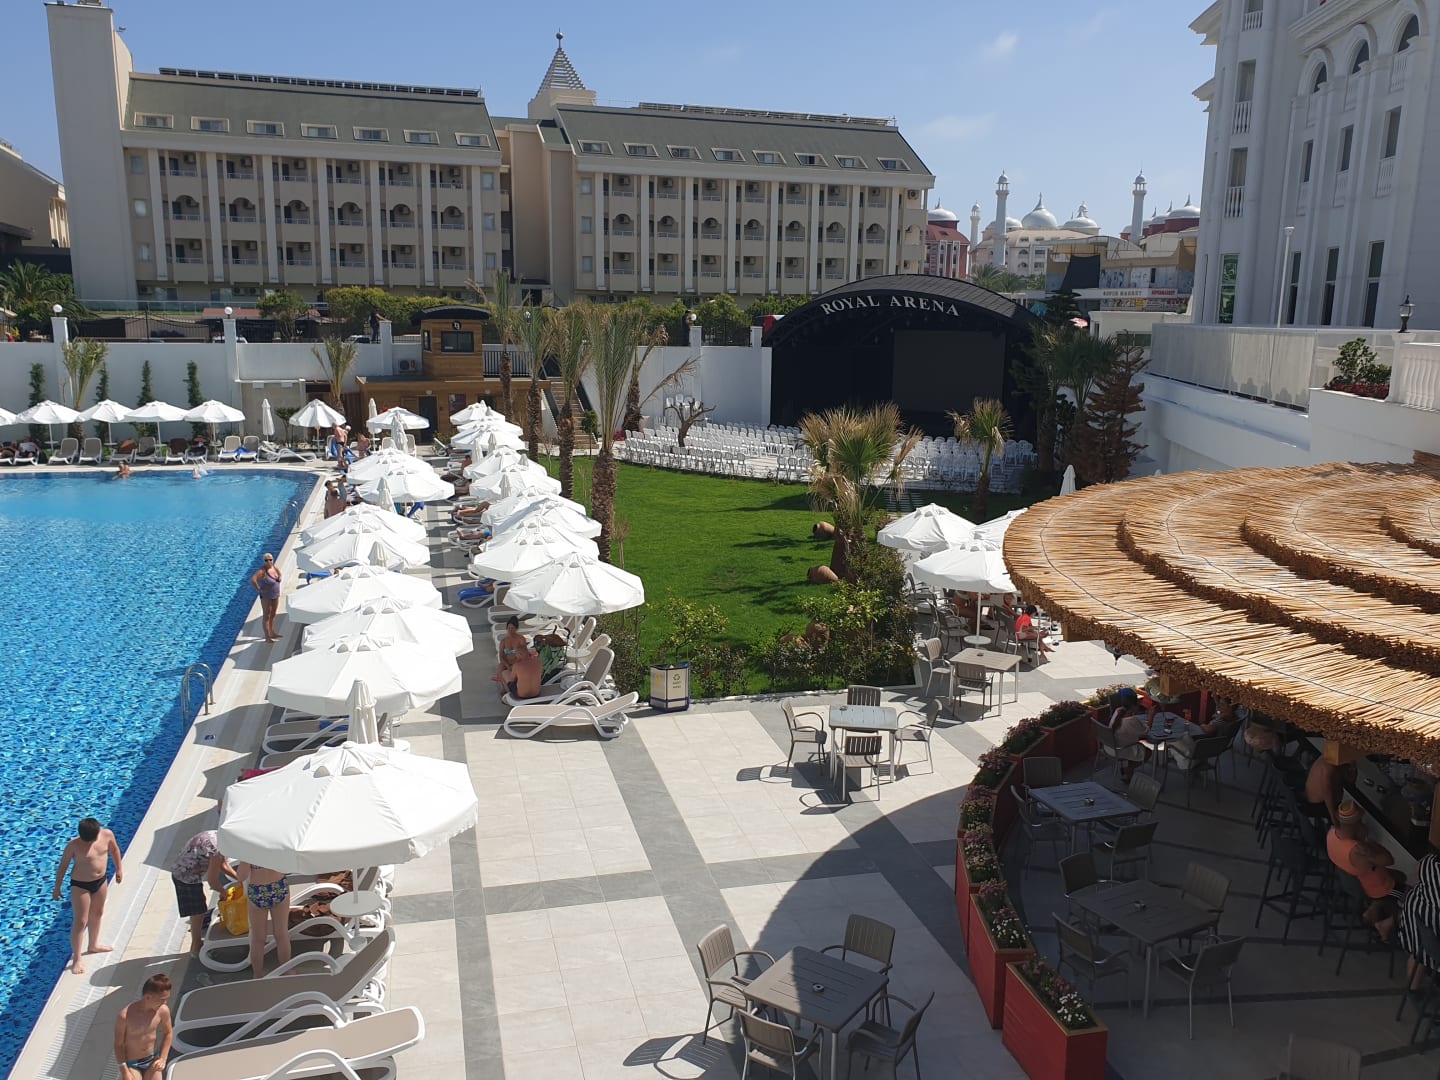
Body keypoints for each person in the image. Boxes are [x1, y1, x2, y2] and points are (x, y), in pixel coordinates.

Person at [52, 817, 122, 974]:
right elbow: (63, 867)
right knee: (81, 920)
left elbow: (114, 850)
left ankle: (93, 945)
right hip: (80, 885)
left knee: (98, 913)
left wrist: (119, 869)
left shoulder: (107, 835)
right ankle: (77, 958)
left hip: (100, 881)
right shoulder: (73, 845)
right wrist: (57, 887)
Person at [1326, 800, 1402, 938]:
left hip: (1354, 882)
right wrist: (1369, 843)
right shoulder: (1359, 851)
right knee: (1412, 897)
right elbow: (1389, 860)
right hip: (1377, 888)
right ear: (1356, 823)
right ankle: (1385, 923)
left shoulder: (1331, 835)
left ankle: (1374, 908)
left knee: (1399, 875)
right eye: (1360, 820)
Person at [170, 825, 235, 956]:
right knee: (198, 912)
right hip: (185, 877)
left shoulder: (215, 835)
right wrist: (224, 893)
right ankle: (196, 946)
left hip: (182, 870)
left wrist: (242, 879)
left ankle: (196, 943)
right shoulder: (216, 849)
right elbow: (212, 881)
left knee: (198, 910)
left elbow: (223, 865)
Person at [113, 974, 172, 1080]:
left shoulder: (162, 1011)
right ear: (148, 997)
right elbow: (118, 1045)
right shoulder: (125, 1016)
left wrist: (163, 1058)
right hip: (132, 1063)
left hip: (152, 1059)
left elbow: (168, 1033)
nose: (165, 1002)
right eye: (162, 999)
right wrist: (124, 1071)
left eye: (166, 999)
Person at [236, 862, 290, 978]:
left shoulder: (248, 852)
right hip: (278, 886)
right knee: (281, 934)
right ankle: (286, 970)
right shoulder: (276, 849)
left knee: (258, 939)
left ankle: (258, 974)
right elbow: (287, 866)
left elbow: (241, 877)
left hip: (257, 891)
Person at [1401, 854, 1440, 990]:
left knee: (1418, 952)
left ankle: (1412, 990)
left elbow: (1417, 876)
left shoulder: (1429, 861)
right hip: (1433, 938)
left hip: (1416, 923)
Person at [1305, 756, 1356, 825]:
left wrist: (1353, 769)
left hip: (1323, 799)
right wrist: (1333, 818)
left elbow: (1350, 782)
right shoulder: (1328, 770)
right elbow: (1328, 798)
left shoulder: (1331, 759)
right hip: (1320, 804)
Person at [251, 552, 283, 642]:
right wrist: (259, 589)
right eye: (266, 560)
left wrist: (280, 577)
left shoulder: (275, 568)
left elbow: (280, 575)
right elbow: (253, 580)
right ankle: (267, 637)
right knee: (267, 616)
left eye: (270, 559)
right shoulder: (262, 571)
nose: (269, 561)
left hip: (275, 594)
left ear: (273, 560)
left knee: (273, 614)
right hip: (266, 596)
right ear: (264, 561)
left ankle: (272, 632)